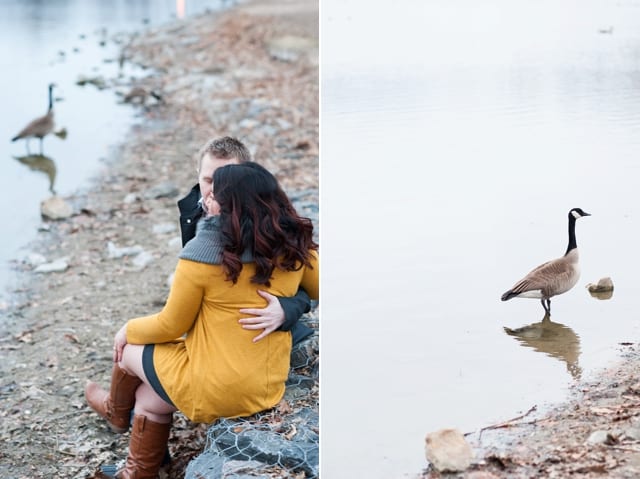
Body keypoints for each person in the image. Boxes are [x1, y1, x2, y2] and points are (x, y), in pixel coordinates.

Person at [85, 161, 319, 478]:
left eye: (213, 194)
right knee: (148, 397)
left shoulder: (203, 252)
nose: (205, 198)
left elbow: (172, 325)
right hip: (266, 387)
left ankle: (115, 412)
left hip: (216, 389)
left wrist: (128, 328)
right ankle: (138, 470)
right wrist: (293, 304)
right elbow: (328, 288)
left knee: (128, 351)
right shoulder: (293, 245)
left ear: (227, 205)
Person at [177, 136, 314, 344]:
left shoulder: (270, 219)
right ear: (198, 175)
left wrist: (287, 309)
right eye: (208, 180)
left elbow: (301, 274)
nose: (214, 191)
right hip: (217, 328)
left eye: (225, 181)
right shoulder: (191, 207)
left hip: (262, 330)